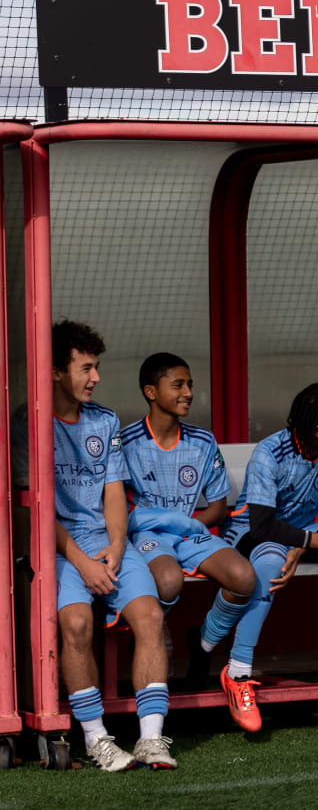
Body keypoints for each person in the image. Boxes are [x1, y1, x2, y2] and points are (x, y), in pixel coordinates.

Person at [33, 321, 174, 769]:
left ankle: (152, 738)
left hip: (106, 541)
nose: (95, 378)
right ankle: (97, 740)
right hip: (56, 547)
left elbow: (114, 490)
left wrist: (115, 546)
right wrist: (80, 560)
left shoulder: (105, 419)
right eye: (86, 368)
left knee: (150, 615)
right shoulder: (29, 421)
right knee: (75, 625)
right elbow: (35, 506)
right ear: (55, 371)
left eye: (97, 367)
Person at [203, 383, 318, 732]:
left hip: (303, 531)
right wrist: (311, 541)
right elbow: (263, 525)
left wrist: (308, 544)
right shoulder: (271, 452)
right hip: (252, 534)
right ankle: (237, 673)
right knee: (269, 567)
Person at [119, 353, 257, 687]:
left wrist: (188, 524)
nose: (188, 392)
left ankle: (205, 640)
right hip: (147, 538)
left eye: (190, 385)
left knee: (244, 578)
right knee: (168, 581)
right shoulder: (125, 442)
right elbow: (117, 509)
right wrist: (160, 521)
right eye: (178, 384)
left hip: (191, 535)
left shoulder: (202, 441)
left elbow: (219, 507)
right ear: (151, 392)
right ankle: (158, 632)